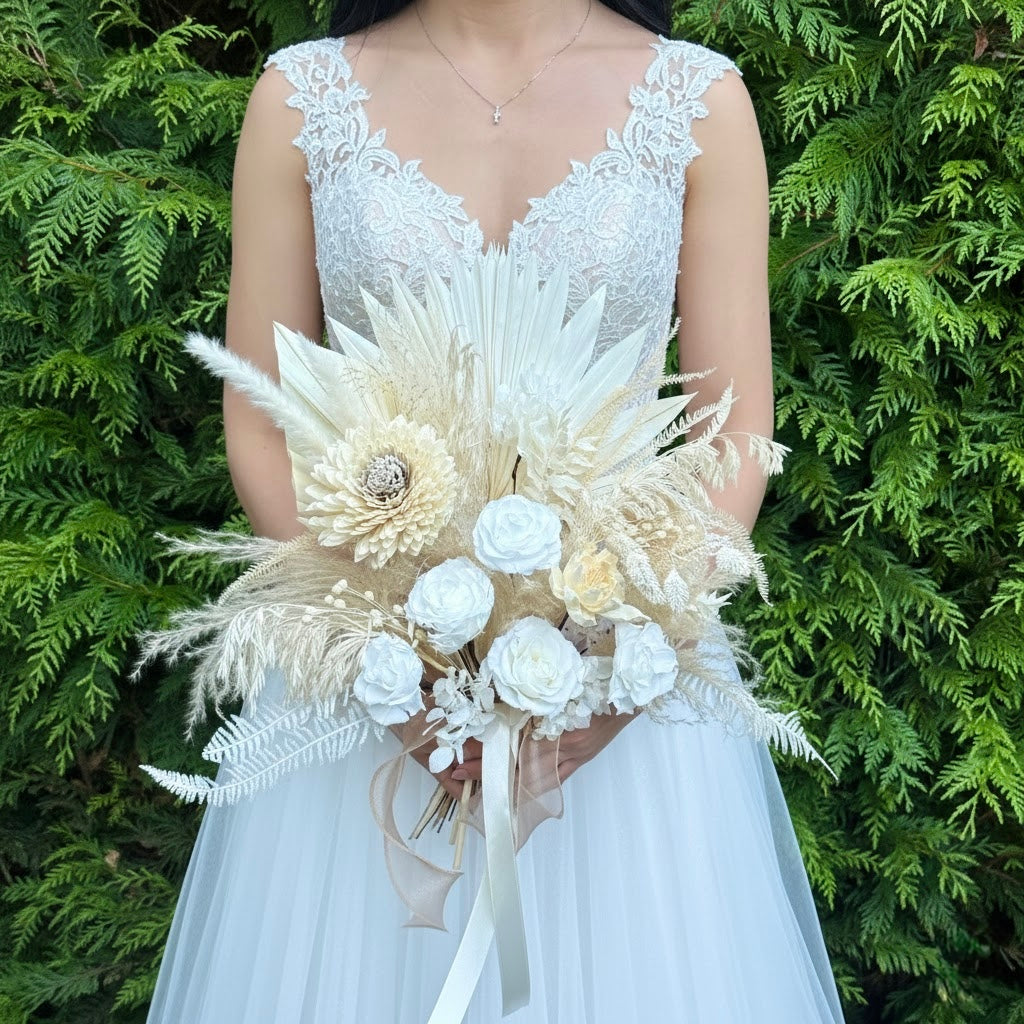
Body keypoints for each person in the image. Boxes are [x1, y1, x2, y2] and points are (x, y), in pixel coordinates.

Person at [145, 1, 847, 1020]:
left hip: (623, 695)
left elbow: (730, 433)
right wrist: (386, 665)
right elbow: (260, 416)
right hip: (359, 694)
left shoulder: (698, 100)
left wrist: (605, 681)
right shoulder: (301, 97)